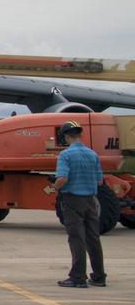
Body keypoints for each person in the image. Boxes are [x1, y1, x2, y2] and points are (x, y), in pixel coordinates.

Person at [47, 121, 106, 288]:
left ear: (66, 137)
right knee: (93, 238)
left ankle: (78, 277)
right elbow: (100, 181)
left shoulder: (65, 155)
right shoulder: (93, 154)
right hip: (91, 200)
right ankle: (99, 276)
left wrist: (54, 187)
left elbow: (63, 178)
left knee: (76, 238)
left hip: (72, 200)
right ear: (80, 135)